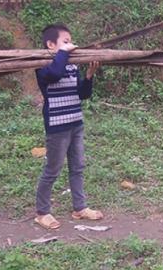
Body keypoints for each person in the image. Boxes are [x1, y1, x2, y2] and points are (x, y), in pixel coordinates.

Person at [34, 24, 103, 229]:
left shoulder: (71, 65)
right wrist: (63, 53)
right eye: (66, 41)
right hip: (57, 127)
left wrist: (89, 76)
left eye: (70, 41)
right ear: (50, 44)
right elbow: (55, 74)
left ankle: (80, 208)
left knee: (78, 167)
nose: (71, 45)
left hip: (75, 123)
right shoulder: (43, 65)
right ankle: (42, 212)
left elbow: (82, 94)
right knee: (52, 170)